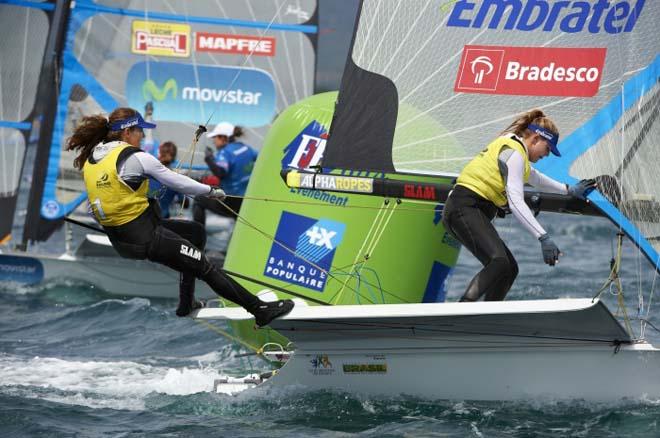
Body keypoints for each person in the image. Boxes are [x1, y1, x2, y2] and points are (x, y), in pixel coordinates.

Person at [66, 107, 293, 325]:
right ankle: (260, 310)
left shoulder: (92, 160)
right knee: (206, 267)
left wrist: (127, 215)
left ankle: (186, 303)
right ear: (127, 132)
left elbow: (93, 206)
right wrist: (211, 192)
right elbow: (177, 181)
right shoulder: (135, 157)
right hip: (147, 239)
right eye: (140, 131)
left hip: (123, 241)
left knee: (195, 232)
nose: (143, 136)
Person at [441, 109, 596, 302]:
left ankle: (486, 314)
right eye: (548, 149)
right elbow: (515, 201)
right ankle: (463, 308)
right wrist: (543, 237)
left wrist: (568, 189)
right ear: (536, 139)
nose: (547, 155)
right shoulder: (514, 153)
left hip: (465, 210)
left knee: (509, 269)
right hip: (464, 208)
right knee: (498, 262)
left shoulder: (516, 151)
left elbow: (536, 178)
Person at [193, 122, 258, 224]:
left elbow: (221, 173)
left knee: (198, 199)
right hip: (247, 201)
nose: (214, 141)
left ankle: (197, 235)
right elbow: (261, 158)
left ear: (223, 138)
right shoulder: (246, 148)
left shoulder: (225, 153)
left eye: (215, 137)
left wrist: (209, 159)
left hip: (231, 202)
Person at [149, 141, 181, 219]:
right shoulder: (176, 178)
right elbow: (185, 203)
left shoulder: (147, 172)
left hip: (144, 219)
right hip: (163, 218)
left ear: (159, 153)